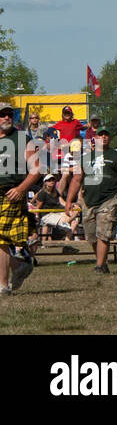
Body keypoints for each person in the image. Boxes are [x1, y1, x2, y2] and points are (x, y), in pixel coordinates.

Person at [66, 127, 117, 276]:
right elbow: (77, 179)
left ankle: (98, 265)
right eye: (100, 135)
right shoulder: (85, 158)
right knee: (91, 235)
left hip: (108, 199)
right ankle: (102, 263)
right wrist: (68, 201)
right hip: (88, 201)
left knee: (103, 233)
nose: (103, 137)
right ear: (94, 138)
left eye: (106, 135)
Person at [0, 103, 41, 294]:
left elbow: (36, 169)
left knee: (2, 239)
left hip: (11, 193)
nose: (7, 117)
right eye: (2, 115)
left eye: (10, 114)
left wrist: (20, 189)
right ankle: (17, 269)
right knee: (3, 239)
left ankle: (4, 283)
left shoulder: (22, 139)